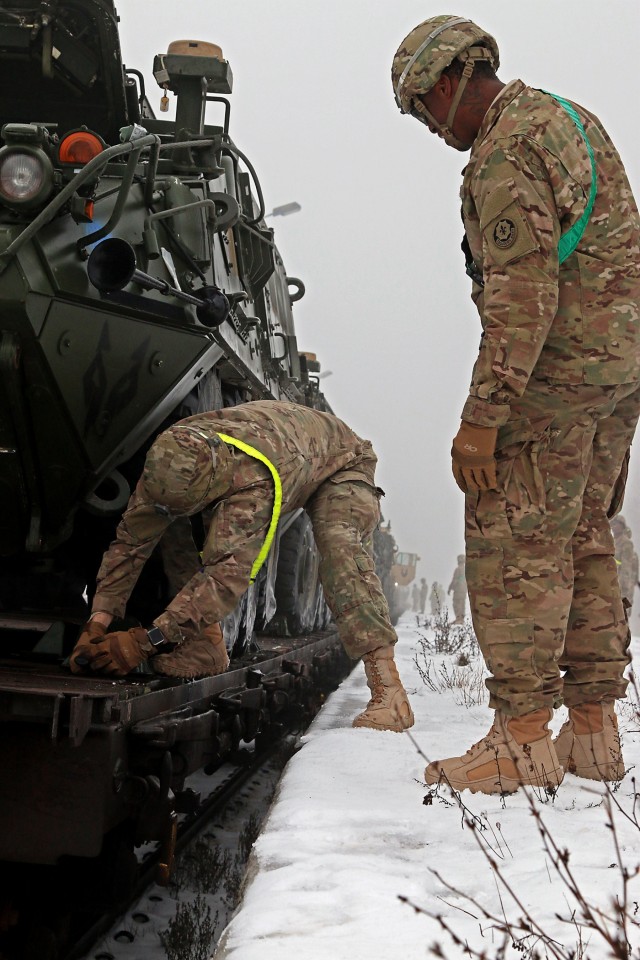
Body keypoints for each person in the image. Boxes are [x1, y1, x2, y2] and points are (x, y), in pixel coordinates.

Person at [392, 16, 640, 792]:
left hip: (555, 374)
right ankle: (594, 734)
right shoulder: (570, 119)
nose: (430, 129)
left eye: (420, 110)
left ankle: (521, 740)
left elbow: (523, 293)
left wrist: (483, 420)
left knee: (511, 540)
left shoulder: (503, 151)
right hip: (621, 370)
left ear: (447, 82)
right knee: (583, 535)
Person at [69, 400, 414, 733]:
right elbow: (130, 545)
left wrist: (147, 641)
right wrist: (98, 621)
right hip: (279, 442)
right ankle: (205, 644)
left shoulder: (254, 481)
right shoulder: (170, 457)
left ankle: (388, 691)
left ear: (218, 482)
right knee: (169, 520)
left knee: (342, 557)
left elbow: (226, 578)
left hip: (341, 461)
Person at [611, 515, 639, 613]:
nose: (614, 526)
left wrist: (623, 589)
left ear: (622, 526)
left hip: (622, 584)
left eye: (617, 524)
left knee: (622, 616)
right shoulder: (611, 541)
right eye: (612, 524)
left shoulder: (626, 543)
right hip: (611, 582)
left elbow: (626, 568)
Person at [448, 555, 467, 625]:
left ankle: (459, 619)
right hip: (464, 590)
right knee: (462, 604)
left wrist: (450, 588)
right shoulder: (466, 569)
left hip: (458, 590)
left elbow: (455, 580)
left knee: (456, 603)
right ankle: (461, 619)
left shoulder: (458, 569)